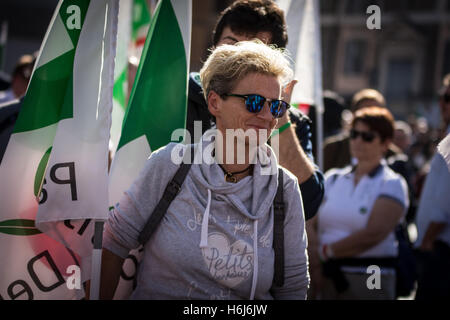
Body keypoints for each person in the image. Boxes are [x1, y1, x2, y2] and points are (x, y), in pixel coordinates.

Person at [100, 40, 309, 300]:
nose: (267, 116)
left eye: (276, 106)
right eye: (254, 103)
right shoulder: (171, 164)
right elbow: (114, 242)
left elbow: (293, 286)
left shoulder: (284, 188)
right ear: (214, 103)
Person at [187, 0, 324, 221]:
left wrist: (276, 112)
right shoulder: (176, 99)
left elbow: (307, 203)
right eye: (231, 45)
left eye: (253, 52)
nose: (237, 62)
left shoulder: (286, 119)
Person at [307, 106, 409, 300]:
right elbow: (310, 220)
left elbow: (373, 234)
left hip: (371, 275)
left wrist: (324, 253)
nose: (358, 141)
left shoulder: (392, 183)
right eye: (354, 134)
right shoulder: (332, 178)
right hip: (326, 274)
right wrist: (315, 260)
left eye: (368, 136)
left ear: (386, 143)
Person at [414, 74, 450, 300]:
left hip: (440, 250)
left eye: (448, 97)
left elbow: (445, 203)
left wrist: (427, 241)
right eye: (443, 96)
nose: (442, 103)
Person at [323, 88, 403, 173]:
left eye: (375, 112)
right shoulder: (333, 149)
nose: (369, 118)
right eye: (364, 112)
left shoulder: (393, 157)